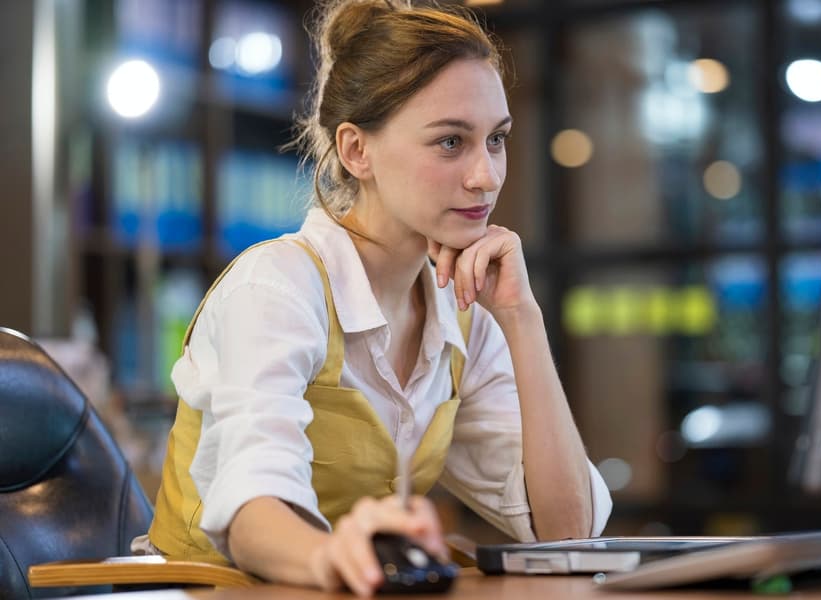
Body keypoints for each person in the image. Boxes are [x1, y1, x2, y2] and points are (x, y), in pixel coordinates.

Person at [132, 0, 612, 595]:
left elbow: (569, 533)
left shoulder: (466, 315)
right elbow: (252, 514)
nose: (486, 175)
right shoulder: (277, 286)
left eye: (497, 140)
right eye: (449, 142)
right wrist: (346, 558)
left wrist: (522, 319)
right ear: (357, 151)